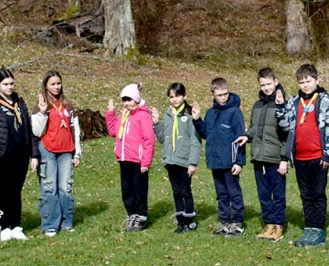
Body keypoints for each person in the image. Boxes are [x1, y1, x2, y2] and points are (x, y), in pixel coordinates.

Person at [276, 63, 329, 247]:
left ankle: (318, 229)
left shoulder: (326, 101)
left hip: (318, 156)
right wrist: (280, 107)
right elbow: (285, 125)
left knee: (318, 193)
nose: (305, 85)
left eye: (308, 81)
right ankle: (309, 227)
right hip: (300, 157)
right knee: (305, 194)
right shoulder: (294, 102)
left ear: (317, 80)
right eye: (301, 82)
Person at [0, 67, 38, 241]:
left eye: (11, 83)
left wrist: (33, 154)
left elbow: (28, 128)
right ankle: (4, 226)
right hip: (1, 155)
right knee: (4, 190)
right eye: (5, 84)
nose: (9, 87)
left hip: (20, 154)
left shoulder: (19, 102)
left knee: (16, 191)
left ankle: (16, 226)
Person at [192, 78, 247, 235]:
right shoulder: (211, 113)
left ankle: (237, 222)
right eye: (219, 95)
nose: (223, 98)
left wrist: (239, 162)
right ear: (212, 94)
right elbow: (206, 134)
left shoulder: (235, 112)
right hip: (215, 161)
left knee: (234, 193)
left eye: (225, 94)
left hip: (230, 161)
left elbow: (240, 137)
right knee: (221, 194)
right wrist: (197, 120)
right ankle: (224, 221)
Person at [31, 70, 81, 237]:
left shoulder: (68, 105)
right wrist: (42, 113)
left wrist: (77, 153)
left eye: (58, 83)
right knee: (49, 187)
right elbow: (36, 132)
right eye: (52, 84)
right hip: (47, 149)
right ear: (46, 85)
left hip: (66, 150)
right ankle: (50, 224)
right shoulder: (41, 105)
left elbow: (75, 129)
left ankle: (66, 222)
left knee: (65, 187)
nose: (56, 87)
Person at [106, 83, 156, 232]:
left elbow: (149, 139)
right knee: (127, 189)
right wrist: (110, 114)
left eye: (129, 100)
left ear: (136, 99)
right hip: (124, 158)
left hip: (138, 160)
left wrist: (145, 162)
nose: (126, 103)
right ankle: (131, 214)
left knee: (139, 189)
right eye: (124, 100)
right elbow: (114, 131)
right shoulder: (124, 114)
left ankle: (140, 216)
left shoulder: (143, 115)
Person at [248, 68, 290, 242]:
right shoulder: (257, 106)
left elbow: (287, 134)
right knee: (263, 194)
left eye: (269, 84)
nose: (266, 88)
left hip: (275, 158)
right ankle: (268, 224)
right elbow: (253, 128)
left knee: (277, 194)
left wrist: (284, 159)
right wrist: (246, 136)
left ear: (276, 81)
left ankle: (278, 225)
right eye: (262, 85)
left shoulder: (283, 105)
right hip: (259, 157)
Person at [154, 82, 202, 233]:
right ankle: (180, 221)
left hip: (185, 161)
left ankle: (189, 220)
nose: (174, 99)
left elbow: (195, 141)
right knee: (176, 192)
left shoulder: (189, 115)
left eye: (178, 96)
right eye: (171, 97)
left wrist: (192, 163)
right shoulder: (168, 115)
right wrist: (156, 124)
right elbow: (163, 138)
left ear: (184, 96)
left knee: (185, 191)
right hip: (171, 160)